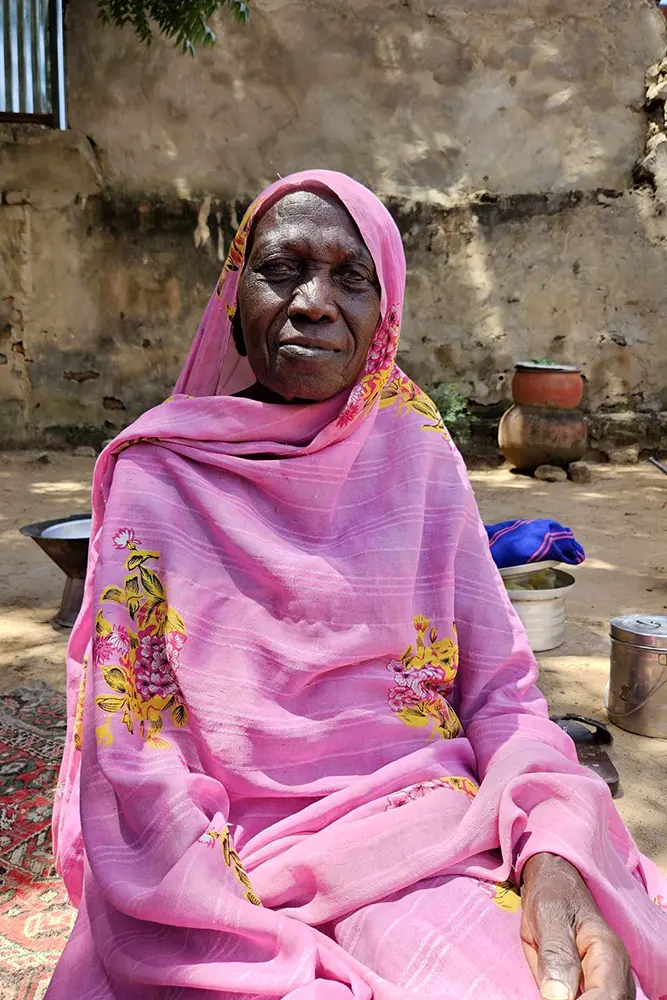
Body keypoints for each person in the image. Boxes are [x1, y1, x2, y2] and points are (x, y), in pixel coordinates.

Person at [46, 170, 667, 1000]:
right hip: (218, 870)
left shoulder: (412, 445)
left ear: (386, 309)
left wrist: (551, 853)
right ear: (234, 297)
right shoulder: (158, 476)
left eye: (350, 276)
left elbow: (502, 694)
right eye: (281, 269)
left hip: (426, 833)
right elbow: (135, 756)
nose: (312, 301)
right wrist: (253, 952)